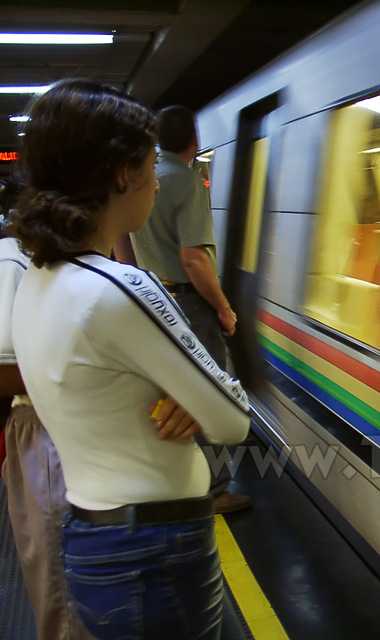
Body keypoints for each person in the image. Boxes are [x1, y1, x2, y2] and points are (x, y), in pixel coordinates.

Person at [8, 79, 250, 639]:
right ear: (123, 173)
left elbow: (103, 384)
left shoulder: (39, 275)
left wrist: (185, 394)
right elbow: (231, 420)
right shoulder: (118, 288)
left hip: (97, 540)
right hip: (157, 552)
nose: (158, 186)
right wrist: (198, 395)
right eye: (147, 163)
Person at [115, 105, 250, 514]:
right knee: (208, 390)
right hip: (190, 301)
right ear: (194, 139)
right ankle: (215, 489)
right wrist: (224, 310)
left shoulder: (144, 181)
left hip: (154, 296)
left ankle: (182, 476)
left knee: (172, 389)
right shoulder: (188, 182)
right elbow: (194, 258)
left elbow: (123, 246)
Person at [1, 179, 91, 640]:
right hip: (46, 431)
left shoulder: (61, 264)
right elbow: (3, 369)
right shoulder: (11, 262)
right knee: (62, 588)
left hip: (76, 432)